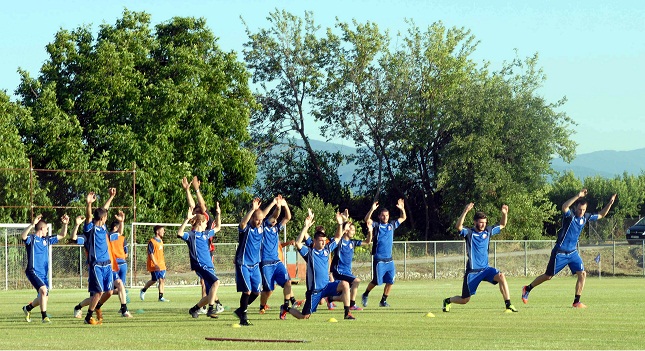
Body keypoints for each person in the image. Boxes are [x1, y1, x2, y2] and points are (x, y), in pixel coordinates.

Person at [522, 189, 616, 308]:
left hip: (572, 253)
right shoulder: (569, 216)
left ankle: (576, 301)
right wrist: (578, 195)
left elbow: (602, 214)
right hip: (560, 252)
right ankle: (527, 288)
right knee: (548, 276)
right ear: (575, 208)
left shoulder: (585, 217)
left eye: (583, 210)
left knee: (582, 274)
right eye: (579, 209)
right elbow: (564, 206)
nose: (581, 212)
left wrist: (610, 203)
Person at [442, 203, 518, 313]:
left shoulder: (488, 231)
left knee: (501, 276)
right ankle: (448, 301)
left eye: (484, 223)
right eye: (480, 222)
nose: (483, 225)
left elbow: (502, 224)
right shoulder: (469, 233)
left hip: (486, 269)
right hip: (473, 272)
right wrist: (465, 211)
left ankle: (508, 305)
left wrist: (504, 214)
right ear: (475, 222)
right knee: (465, 300)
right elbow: (458, 226)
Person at [282, 210, 355, 320]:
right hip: (315, 291)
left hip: (326, 286)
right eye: (320, 241)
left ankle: (347, 313)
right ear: (315, 241)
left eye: (324, 241)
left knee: (345, 284)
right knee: (304, 316)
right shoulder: (309, 253)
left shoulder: (327, 249)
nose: (323, 242)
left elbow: (337, 237)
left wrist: (340, 224)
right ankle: (285, 309)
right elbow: (297, 243)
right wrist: (306, 227)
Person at [178, 204, 225, 319]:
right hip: (200, 265)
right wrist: (186, 219)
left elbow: (218, 227)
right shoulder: (191, 235)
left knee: (210, 294)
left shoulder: (205, 234)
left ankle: (194, 309)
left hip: (209, 266)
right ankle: (211, 309)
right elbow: (179, 233)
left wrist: (218, 214)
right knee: (216, 282)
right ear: (200, 222)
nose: (206, 225)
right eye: (205, 223)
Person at [21, 213, 69, 323]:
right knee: (43, 290)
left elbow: (62, 235)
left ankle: (27, 308)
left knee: (44, 297)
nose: (47, 231)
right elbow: (23, 236)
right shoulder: (31, 239)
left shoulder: (46, 240)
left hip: (43, 273)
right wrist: (32, 224)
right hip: (32, 271)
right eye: (46, 229)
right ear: (42, 228)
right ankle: (44, 317)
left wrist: (65, 224)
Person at [361, 198, 406, 308]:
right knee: (376, 281)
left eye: (387, 215)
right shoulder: (376, 225)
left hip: (389, 259)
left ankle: (383, 301)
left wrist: (402, 209)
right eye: (383, 215)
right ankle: (365, 294)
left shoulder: (391, 225)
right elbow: (367, 220)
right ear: (379, 216)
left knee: (391, 281)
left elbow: (403, 217)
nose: (385, 217)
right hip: (379, 259)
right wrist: (372, 210)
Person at [258, 196, 298, 318]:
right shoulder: (263, 227)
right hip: (265, 262)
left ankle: (285, 306)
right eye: (273, 219)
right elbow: (274, 215)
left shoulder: (276, 228)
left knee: (287, 282)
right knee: (268, 290)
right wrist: (277, 206)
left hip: (276, 261)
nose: (275, 220)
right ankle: (262, 305)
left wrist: (285, 205)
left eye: (275, 220)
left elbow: (288, 217)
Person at [82, 188, 116, 325]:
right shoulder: (91, 229)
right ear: (102, 219)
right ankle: (88, 317)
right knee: (99, 292)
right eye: (105, 217)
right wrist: (89, 204)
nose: (107, 217)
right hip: (96, 264)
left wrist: (111, 197)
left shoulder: (103, 227)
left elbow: (104, 209)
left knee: (109, 292)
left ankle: (97, 307)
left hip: (107, 263)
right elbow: (89, 216)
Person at [182, 176, 216, 312]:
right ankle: (209, 304)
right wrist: (187, 190)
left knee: (209, 282)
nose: (193, 213)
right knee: (206, 281)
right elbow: (192, 206)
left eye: (196, 212)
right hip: (199, 255)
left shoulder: (204, 218)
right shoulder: (194, 226)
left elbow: (201, 206)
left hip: (207, 252)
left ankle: (210, 304)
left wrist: (196, 190)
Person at [331, 209, 372, 311]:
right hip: (338, 271)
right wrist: (343, 223)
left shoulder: (352, 243)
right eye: (352, 229)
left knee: (345, 295)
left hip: (347, 272)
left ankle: (330, 298)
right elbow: (338, 234)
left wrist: (370, 230)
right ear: (347, 230)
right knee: (356, 281)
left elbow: (367, 242)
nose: (353, 232)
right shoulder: (339, 241)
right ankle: (352, 305)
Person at [233, 197, 265, 326]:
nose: (259, 222)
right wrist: (252, 209)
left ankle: (240, 311)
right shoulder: (246, 229)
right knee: (247, 291)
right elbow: (242, 224)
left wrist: (274, 203)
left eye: (261, 220)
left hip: (255, 265)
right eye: (257, 219)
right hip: (244, 263)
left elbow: (266, 215)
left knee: (256, 292)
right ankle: (243, 318)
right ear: (252, 218)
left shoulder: (261, 228)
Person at [108, 210, 132, 317]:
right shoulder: (119, 237)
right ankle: (123, 306)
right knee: (120, 287)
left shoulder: (107, 236)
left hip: (114, 263)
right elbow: (126, 253)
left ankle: (123, 307)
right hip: (120, 263)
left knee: (119, 287)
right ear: (116, 227)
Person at [140, 225, 169, 302]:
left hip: (162, 264)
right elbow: (151, 254)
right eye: (162, 230)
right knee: (154, 280)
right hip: (154, 265)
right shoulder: (152, 242)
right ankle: (143, 290)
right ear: (157, 231)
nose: (164, 232)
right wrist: (156, 264)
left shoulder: (161, 241)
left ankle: (161, 297)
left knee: (162, 280)